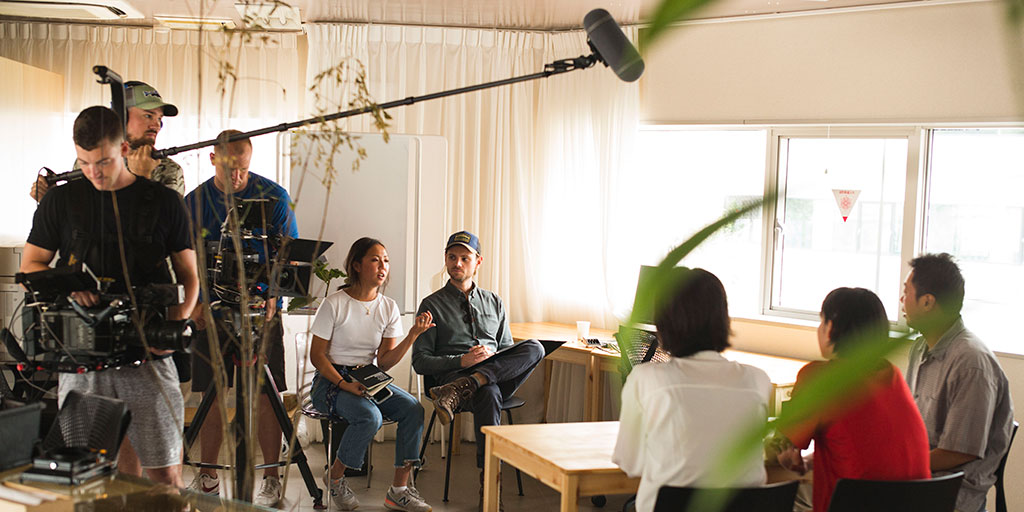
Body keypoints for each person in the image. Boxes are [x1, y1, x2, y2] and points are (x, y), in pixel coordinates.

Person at [20, 105, 198, 486]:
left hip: (148, 355)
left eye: (101, 161)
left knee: (165, 473)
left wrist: (175, 328)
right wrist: (70, 287)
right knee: (87, 477)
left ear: (123, 146)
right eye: (84, 163)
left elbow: (189, 275)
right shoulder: (61, 201)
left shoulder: (162, 200)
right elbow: (32, 265)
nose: (94, 172)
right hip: (83, 357)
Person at [183, 130, 297, 507]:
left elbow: (289, 257)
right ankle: (208, 474)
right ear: (213, 159)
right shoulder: (195, 202)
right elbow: (182, 260)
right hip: (211, 311)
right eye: (229, 168)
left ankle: (270, 478)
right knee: (212, 394)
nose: (236, 177)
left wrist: (273, 303)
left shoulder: (274, 197)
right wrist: (194, 305)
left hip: (261, 313)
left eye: (243, 169)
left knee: (267, 394)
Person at [612, 268, 771, 512]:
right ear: (723, 319)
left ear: (663, 322)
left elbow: (630, 463)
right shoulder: (758, 380)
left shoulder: (646, 379)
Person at [412, 230, 544, 505]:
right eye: (451, 257)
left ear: (478, 261)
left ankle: (470, 384)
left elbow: (508, 351)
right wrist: (463, 361)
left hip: (485, 375)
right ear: (446, 260)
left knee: (536, 347)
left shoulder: (494, 302)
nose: (457, 263)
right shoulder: (431, 304)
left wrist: (491, 354)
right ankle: (489, 481)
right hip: (451, 377)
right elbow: (420, 361)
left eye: (464, 258)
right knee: (490, 393)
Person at [776, 287, 931, 512]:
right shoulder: (893, 374)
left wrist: (788, 453)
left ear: (830, 327)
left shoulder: (820, 377)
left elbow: (784, 450)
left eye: (821, 321)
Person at [308, 237, 434, 512]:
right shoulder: (334, 303)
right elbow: (317, 356)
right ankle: (335, 477)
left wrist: (412, 335)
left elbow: (385, 362)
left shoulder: (388, 307)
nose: (383, 266)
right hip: (331, 379)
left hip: (367, 376)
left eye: (386, 260)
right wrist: (343, 383)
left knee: (413, 408)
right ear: (356, 265)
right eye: (375, 259)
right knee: (370, 416)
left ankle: (398, 491)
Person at [902, 253, 1014, 512]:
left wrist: (901, 465)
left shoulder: (971, 362)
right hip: (922, 477)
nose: (901, 300)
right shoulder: (920, 349)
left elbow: (960, 452)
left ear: (928, 302)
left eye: (906, 292)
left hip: (950, 490)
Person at [30, 81, 184, 200]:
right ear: (121, 116)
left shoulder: (170, 171)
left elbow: (162, 230)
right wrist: (51, 200)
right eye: (148, 116)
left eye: (159, 118)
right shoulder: (90, 161)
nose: (156, 125)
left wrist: (141, 178)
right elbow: (82, 221)